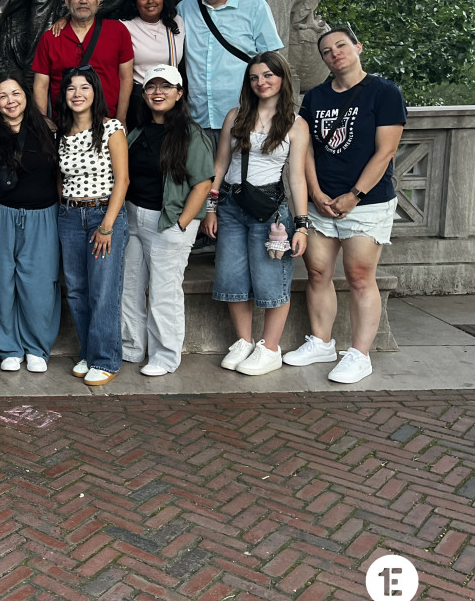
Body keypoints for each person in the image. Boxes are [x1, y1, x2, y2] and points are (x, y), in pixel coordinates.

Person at [286, 26, 406, 383]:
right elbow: (305, 148)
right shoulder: (316, 97)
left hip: (366, 202)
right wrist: (315, 192)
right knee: (318, 273)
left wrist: (354, 195)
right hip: (322, 201)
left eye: (340, 45)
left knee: (359, 276)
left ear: (358, 47)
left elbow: (386, 151)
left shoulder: (384, 92)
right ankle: (321, 342)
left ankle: (359, 354)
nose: (334, 53)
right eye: (326, 50)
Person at [202, 52, 310, 376]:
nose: (261, 82)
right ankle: (244, 341)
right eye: (254, 77)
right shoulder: (236, 116)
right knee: (232, 276)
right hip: (231, 206)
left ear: (281, 78)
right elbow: (220, 164)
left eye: (267, 75)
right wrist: (211, 208)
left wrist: (301, 226)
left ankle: (270, 348)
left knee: (270, 278)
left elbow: (297, 177)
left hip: (270, 212)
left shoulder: (295, 124)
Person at [121, 65, 215, 376]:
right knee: (129, 288)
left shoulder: (191, 134)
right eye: (151, 86)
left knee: (164, 293)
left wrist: (182, 223)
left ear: (179, 93)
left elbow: (203, 183)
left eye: (166, 86)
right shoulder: (137, 132)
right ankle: (131, 347)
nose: (157, 92)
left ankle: (164, 356)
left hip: (168, 222)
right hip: (133, 218)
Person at [0, 73, 60, 373]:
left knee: (39, 282)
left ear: (26, 95)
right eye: (2, 96)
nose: (10, 101)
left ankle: (36, 347)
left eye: (16, 93)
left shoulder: (49, 129)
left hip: (42, 217)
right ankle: (7, 347)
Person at [54, 66, 130, 384]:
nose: (77, 94)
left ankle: (106, 359)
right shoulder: (61, 134)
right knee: (76, 290)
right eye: (71, 88)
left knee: (103, 290)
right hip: (71, 217)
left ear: (95, 92)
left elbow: (122, 180)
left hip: (103, 214)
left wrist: (107, 225)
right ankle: (89, 352)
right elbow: (61, 180)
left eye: (84, 87)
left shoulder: (111, 128)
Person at [175, 0, 283, 142]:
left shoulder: (254, 5)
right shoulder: (184, 9)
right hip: (199, 119)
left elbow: (271, 61)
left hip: (245, 117)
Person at [33, 0, 134, 122]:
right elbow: (41, 85)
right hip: (65, 124)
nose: (83, 0)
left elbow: (126, 78)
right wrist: (44, 122)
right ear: (67, 2)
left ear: (98, 1)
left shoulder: (117, 31)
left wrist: (121, 118)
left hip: (106, 122)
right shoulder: (50, 38)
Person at [119, 0, 185, 130]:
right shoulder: (124, 26)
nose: (150, 1)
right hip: (140, 100)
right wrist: (66, 18)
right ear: (136, 0)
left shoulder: (176, 22)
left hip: (170, 98)